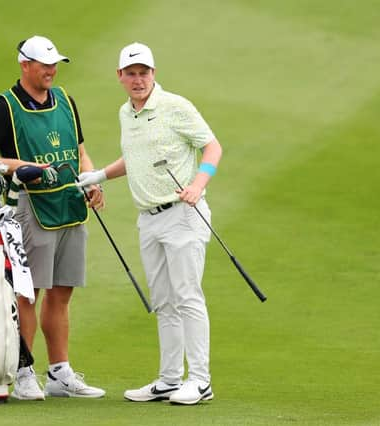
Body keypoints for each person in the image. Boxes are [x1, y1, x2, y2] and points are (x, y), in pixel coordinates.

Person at [76, 42, 223, 405]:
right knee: (164, 302)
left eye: (144, 73)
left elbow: (213, 148)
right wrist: (98, 175)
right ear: (120, 77)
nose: (138, 80)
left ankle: (200, 381)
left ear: (154, 74)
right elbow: (134, 157)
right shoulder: (127, 113)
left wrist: (197, 185)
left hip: (184, 214)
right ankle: (170, 379)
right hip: (150, 220)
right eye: (131, 74)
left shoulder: (175, 106)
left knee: (187, 296)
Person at [0, 35, 105, 400]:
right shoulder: (6, 106)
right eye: (44, 65)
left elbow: (79, 151)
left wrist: (91, 181)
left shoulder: (65, 100)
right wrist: (21, 166)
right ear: (24, 65)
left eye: (54, 64)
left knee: (62, 293)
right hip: (31, 209)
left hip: (70, 208)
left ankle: (59, 373)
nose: (51, 70)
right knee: (28, 293)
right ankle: (24, 371)